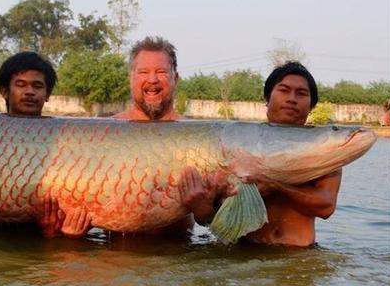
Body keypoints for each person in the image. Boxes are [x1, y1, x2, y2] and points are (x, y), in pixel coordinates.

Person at [113, 37, 227, 235]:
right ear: (130, 79)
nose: (152, 80)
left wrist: (205, 211)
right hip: (113, 258)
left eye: (161, 72)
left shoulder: (200, 137)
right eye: (143, 72)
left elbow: (220, 226)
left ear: (176, 78)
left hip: (178, 256)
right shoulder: (106, 132)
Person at [242, 61, 342, 246]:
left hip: (298, 258)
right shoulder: (241, 142)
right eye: (284, 90)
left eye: (301, 93)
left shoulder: (325, 149)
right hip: (243, 253)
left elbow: (326, 206)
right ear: (267, 97)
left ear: (311, 105)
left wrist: (277, 186)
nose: (292, 99)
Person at [0, 51, 90, 238]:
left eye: (37, 86)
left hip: (44, 243)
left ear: (47, 94)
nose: (29, 91)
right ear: (5, 91)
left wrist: (62, 235)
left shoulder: (65, 139)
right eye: (21, 85)